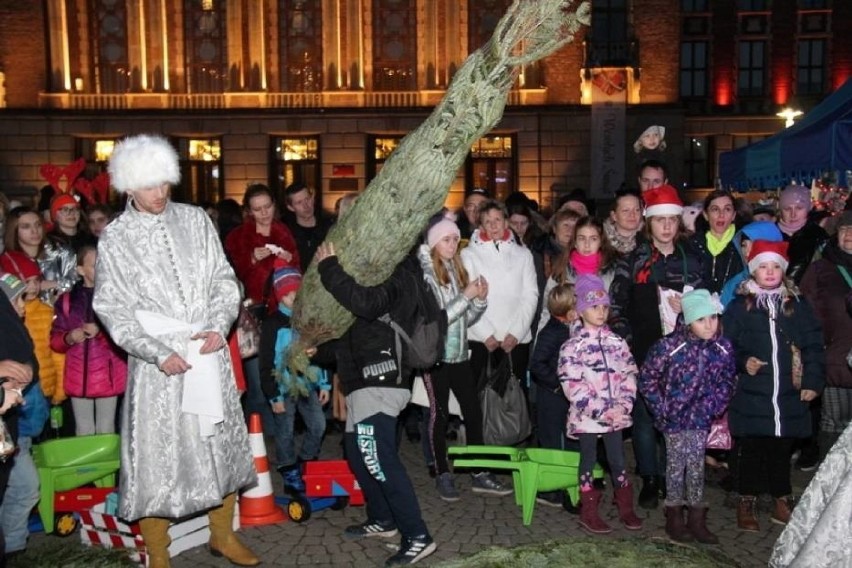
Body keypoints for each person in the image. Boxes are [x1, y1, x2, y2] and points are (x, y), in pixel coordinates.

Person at [92, 134, 258, 568]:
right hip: (158, 366)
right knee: (156, 458)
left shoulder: (196, 221)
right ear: (128, 187)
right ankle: (158, 552)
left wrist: (219, 325)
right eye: (149, 186)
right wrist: (155, 351)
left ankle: (222, 535)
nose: (159, 194)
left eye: (165, 183)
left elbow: (225, 279)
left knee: (219, 445)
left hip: (207, 351)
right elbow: (112, 306)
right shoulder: (116, 237)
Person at [315, 241, 437, 567]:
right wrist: (319, 350)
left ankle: (418, 536)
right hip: (362, 382)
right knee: (358, 454)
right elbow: (356, 334)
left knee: (379, 460)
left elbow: (367, 305)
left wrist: (329, 268)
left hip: (381, 379)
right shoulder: (373, 274)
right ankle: (383, 520)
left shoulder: (398, 273)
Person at [609, 184, 706, 510]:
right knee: (645, 418)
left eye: (671, 220)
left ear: (679, 223)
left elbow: (708, 311)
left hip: (683, 357)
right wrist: (629, 347)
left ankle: (670, 477)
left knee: (677, 418)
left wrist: (690, 308)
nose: (666, 226)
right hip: (644, 354)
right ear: (648, 222)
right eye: (659, 220)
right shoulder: (633, 260)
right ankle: (649, 477)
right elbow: (616, 308)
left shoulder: (692, 261)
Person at [722, 240, 824, 532]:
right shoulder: (740, 307)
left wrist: (813, 381)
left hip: (789, 395)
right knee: (751, 449)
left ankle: (782, 498)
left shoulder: (797, 306)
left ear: (784, 270)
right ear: (753, 271)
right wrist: (743, 362)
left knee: (781, 449)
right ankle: (746, 499)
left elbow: (814, 344)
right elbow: (726, 346)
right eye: (763, 266)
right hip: (754, 395)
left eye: (775, 266)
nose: (769, 272)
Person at [417, 215, 506, 502]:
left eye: (456, 238)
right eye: (446, 239)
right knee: (439, 415)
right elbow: (440, 319)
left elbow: (464, 319)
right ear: (433, 243)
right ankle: (442, 472)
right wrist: (467, 296)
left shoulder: (454, 270)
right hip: (436, 357)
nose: (453, 244)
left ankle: (478, 471)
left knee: (473, 411)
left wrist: (478, 299)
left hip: (459, 355)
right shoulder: (427, 275)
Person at [638, 289, 737, 543]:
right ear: (689, 320)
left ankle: (696, 516)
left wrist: (716, 405)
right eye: (702, 319)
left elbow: (728, 380)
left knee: (696, 465)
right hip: (674, 418)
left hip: (701, 418)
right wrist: (662, 408)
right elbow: (647, 378)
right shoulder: (669, 346)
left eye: (713, 318)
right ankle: (674, 515)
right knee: (675, 464)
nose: (709, 325)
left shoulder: (722, 348)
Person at [558, 274, 642, 534]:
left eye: (604, 307)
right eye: (595, 307)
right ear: (581, 310)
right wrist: (599, 409)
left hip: (616, 415)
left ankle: (625, 506)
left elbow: (629, 373)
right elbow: (572, 383)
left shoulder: (616, 343)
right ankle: (589, 510)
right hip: (588, 416)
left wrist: (624, 404)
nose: (601, 312)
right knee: (589, 459)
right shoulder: (573, 347)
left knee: (618, 459)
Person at [258, 260, 330, 494]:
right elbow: (265, 363)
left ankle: (306, 461)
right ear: (279, 296)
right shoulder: (272, 325)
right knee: (285, 430)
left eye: (297, 293)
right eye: (288, 294)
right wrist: (273, 395)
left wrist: (324, 383)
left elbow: (319, 354)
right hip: (283, 386)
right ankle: (288, 468)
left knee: (318, 425)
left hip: (307, 384)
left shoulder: (309, 323)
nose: (294, 298)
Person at [461, 200, 538, 401]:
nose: (494, 225)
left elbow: (530, 295)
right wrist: (486, 334)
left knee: (514, 402)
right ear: (481, 226)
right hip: (481, 340)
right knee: (480, 401)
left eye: (498, 219)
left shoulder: (523, 254)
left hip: (516, 340)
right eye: (488, 221)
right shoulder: (468, 255)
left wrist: (516, 332)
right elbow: (466, 297)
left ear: (506, 222)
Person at [50, 246, 127, 435]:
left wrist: (101, 332)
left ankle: (109, 465)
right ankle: (85, 465)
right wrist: (69, 337)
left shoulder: (115, 298)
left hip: (108, 375)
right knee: (83, 429)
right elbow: (55, 340)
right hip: (78, 375)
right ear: (80, 270)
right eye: (94, 265)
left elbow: (126, 337)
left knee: (106, 428)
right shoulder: (67, 301)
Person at [0, 271, 46, 557]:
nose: (21, 308)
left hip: (12, 432)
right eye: (15, 301)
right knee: (25, 485)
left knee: (21, 486)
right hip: (15, 432)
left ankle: (12, 545)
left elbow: (27, 361)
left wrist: (25, 371)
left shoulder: (14, 330)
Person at [800, 210, 852, 459]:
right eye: (844, 230)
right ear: (836, 234)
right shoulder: (821, 269)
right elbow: (805, 312)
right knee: (834, 427)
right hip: (835, 363)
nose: (849, 234)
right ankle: (831, 490)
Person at [529, 283, 580, 509]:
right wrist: (558, 385)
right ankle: (552, 489)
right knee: (552, 443)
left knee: (570, 442)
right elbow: (537, 364)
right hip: (552, 397)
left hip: (565, 396)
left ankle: (570, 487)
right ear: (567, 311)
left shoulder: (569, 328)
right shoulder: (551, 332)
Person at [720, 220, 784, 308]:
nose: (747, 252)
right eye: (743, 245)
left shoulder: (787, 288)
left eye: (754, 245)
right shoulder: (733, 285)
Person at [689, 190, 743, 294]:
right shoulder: (692, 244)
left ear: (733, 215)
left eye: (727, 209)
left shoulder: (743, 244)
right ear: (705, 215)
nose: (721, 215)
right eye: (715, 209)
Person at [777, 184, 828, 285]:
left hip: (808, 295)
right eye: (787, 209)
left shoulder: (818, 235)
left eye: (799, 208)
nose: (793, 214)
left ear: (808, 208)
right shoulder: (768, 233)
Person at [282, 182, 333, 273]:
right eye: (299, 202)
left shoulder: (329, 225)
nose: (306, 206)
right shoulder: (286, 234)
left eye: (307, 199)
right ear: (291, 208)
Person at [604, 188, 643, 256]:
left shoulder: (649, 238)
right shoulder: (601, 238)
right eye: (626, 211)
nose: (632, 215)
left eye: (637, 210)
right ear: (614, 215)